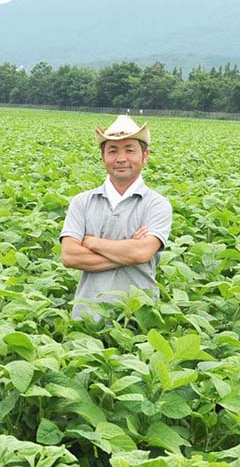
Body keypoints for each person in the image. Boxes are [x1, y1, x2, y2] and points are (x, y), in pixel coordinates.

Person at [60, 115, 172, 319]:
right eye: (113, 150)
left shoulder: (157, 204)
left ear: (145, 156)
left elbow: (141, 253)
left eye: (130, 150)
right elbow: (69, 256)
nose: (121, 158)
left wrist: (92, 242)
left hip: (138, 318)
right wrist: (129, 249)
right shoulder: (82, 201)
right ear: (103, 157)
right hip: (87, 318)